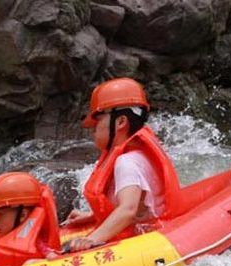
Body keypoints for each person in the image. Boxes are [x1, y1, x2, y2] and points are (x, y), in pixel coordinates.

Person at [64, 77, 178, 251]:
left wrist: (91, 240)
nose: (93, 130)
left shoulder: (126, 162)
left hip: (148, 244)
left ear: (121, 122)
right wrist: (92, 215)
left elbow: (128, 210)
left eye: (97, 123)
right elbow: (143, 205)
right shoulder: (138, 154)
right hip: (154, 229)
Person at [0, 171, 62, 266]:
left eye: (0, 215)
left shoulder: (37, 240)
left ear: (22, 215)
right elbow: (3, 242)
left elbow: (54, 260)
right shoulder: (11, 234)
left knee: (30, 264)